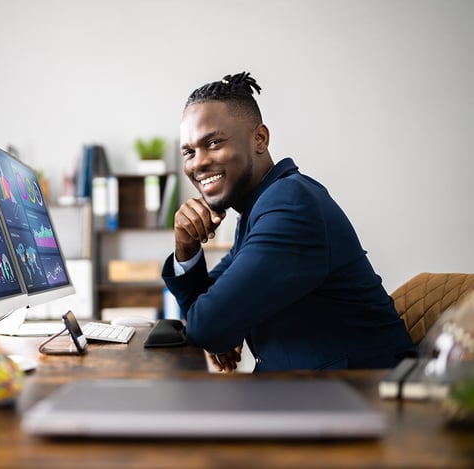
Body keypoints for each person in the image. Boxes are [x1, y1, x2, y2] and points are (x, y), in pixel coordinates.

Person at [162, 71, 415, 373]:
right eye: (189, 152)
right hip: (309, 395)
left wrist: (221, 327)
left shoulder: (290, 208)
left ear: (259, 139)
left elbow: (206, 326)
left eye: (214, 143)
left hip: (363, 402)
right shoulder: (259, 208)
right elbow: (208, 310)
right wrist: (186, 247)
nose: (199, 162)